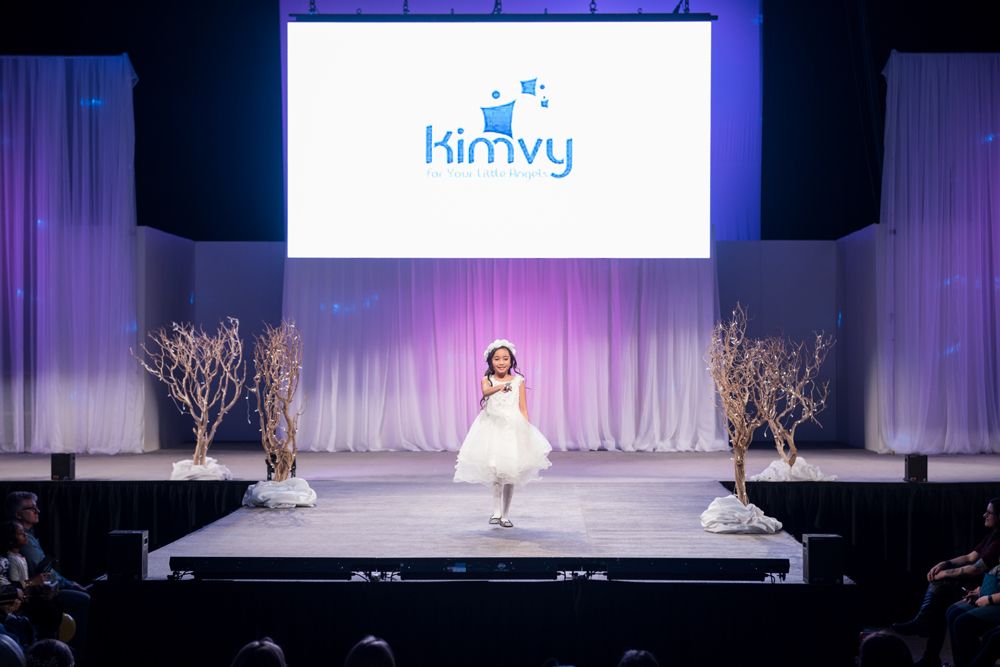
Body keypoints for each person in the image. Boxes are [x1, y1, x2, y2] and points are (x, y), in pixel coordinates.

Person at [454, 339, 552, 528]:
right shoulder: (487, 380)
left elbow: (523, 408)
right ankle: (496, 512)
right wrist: (501, 386)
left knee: (510, 473)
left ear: (511, 360)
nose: (501, 362)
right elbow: (486, 392)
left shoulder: (518, 381)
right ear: (490, 361)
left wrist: (525, 431)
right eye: (497, 358)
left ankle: (506, 514)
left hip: (511, 430)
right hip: (492, 429)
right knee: (496, 473)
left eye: (505, 358)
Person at [892, 498, 1000, 667]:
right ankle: (928, 635)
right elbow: (970, 557)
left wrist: (945, 574)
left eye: (990, 513)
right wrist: (946, 564)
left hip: (994, 599)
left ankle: (925, 627)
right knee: (948, 607)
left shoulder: (998, 543)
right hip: (986, 593)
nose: (984, 515)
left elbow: (975, 569)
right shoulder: (992, 537)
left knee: (959, 618)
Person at [3, 495, 88, 651]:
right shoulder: (21, 549)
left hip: (34, 590)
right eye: (31, 508)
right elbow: (18, 585)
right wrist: (68, 584)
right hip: (29, 596)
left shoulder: (26, 543)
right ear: (18, 515)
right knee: (81, 599)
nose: (37, 511)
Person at [944, 562, 1000, 667]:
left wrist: (989, 599)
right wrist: (982, 591)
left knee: (963, 623)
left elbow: (974, 568)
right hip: (991, 596)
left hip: (995, 602)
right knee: (953, 612)